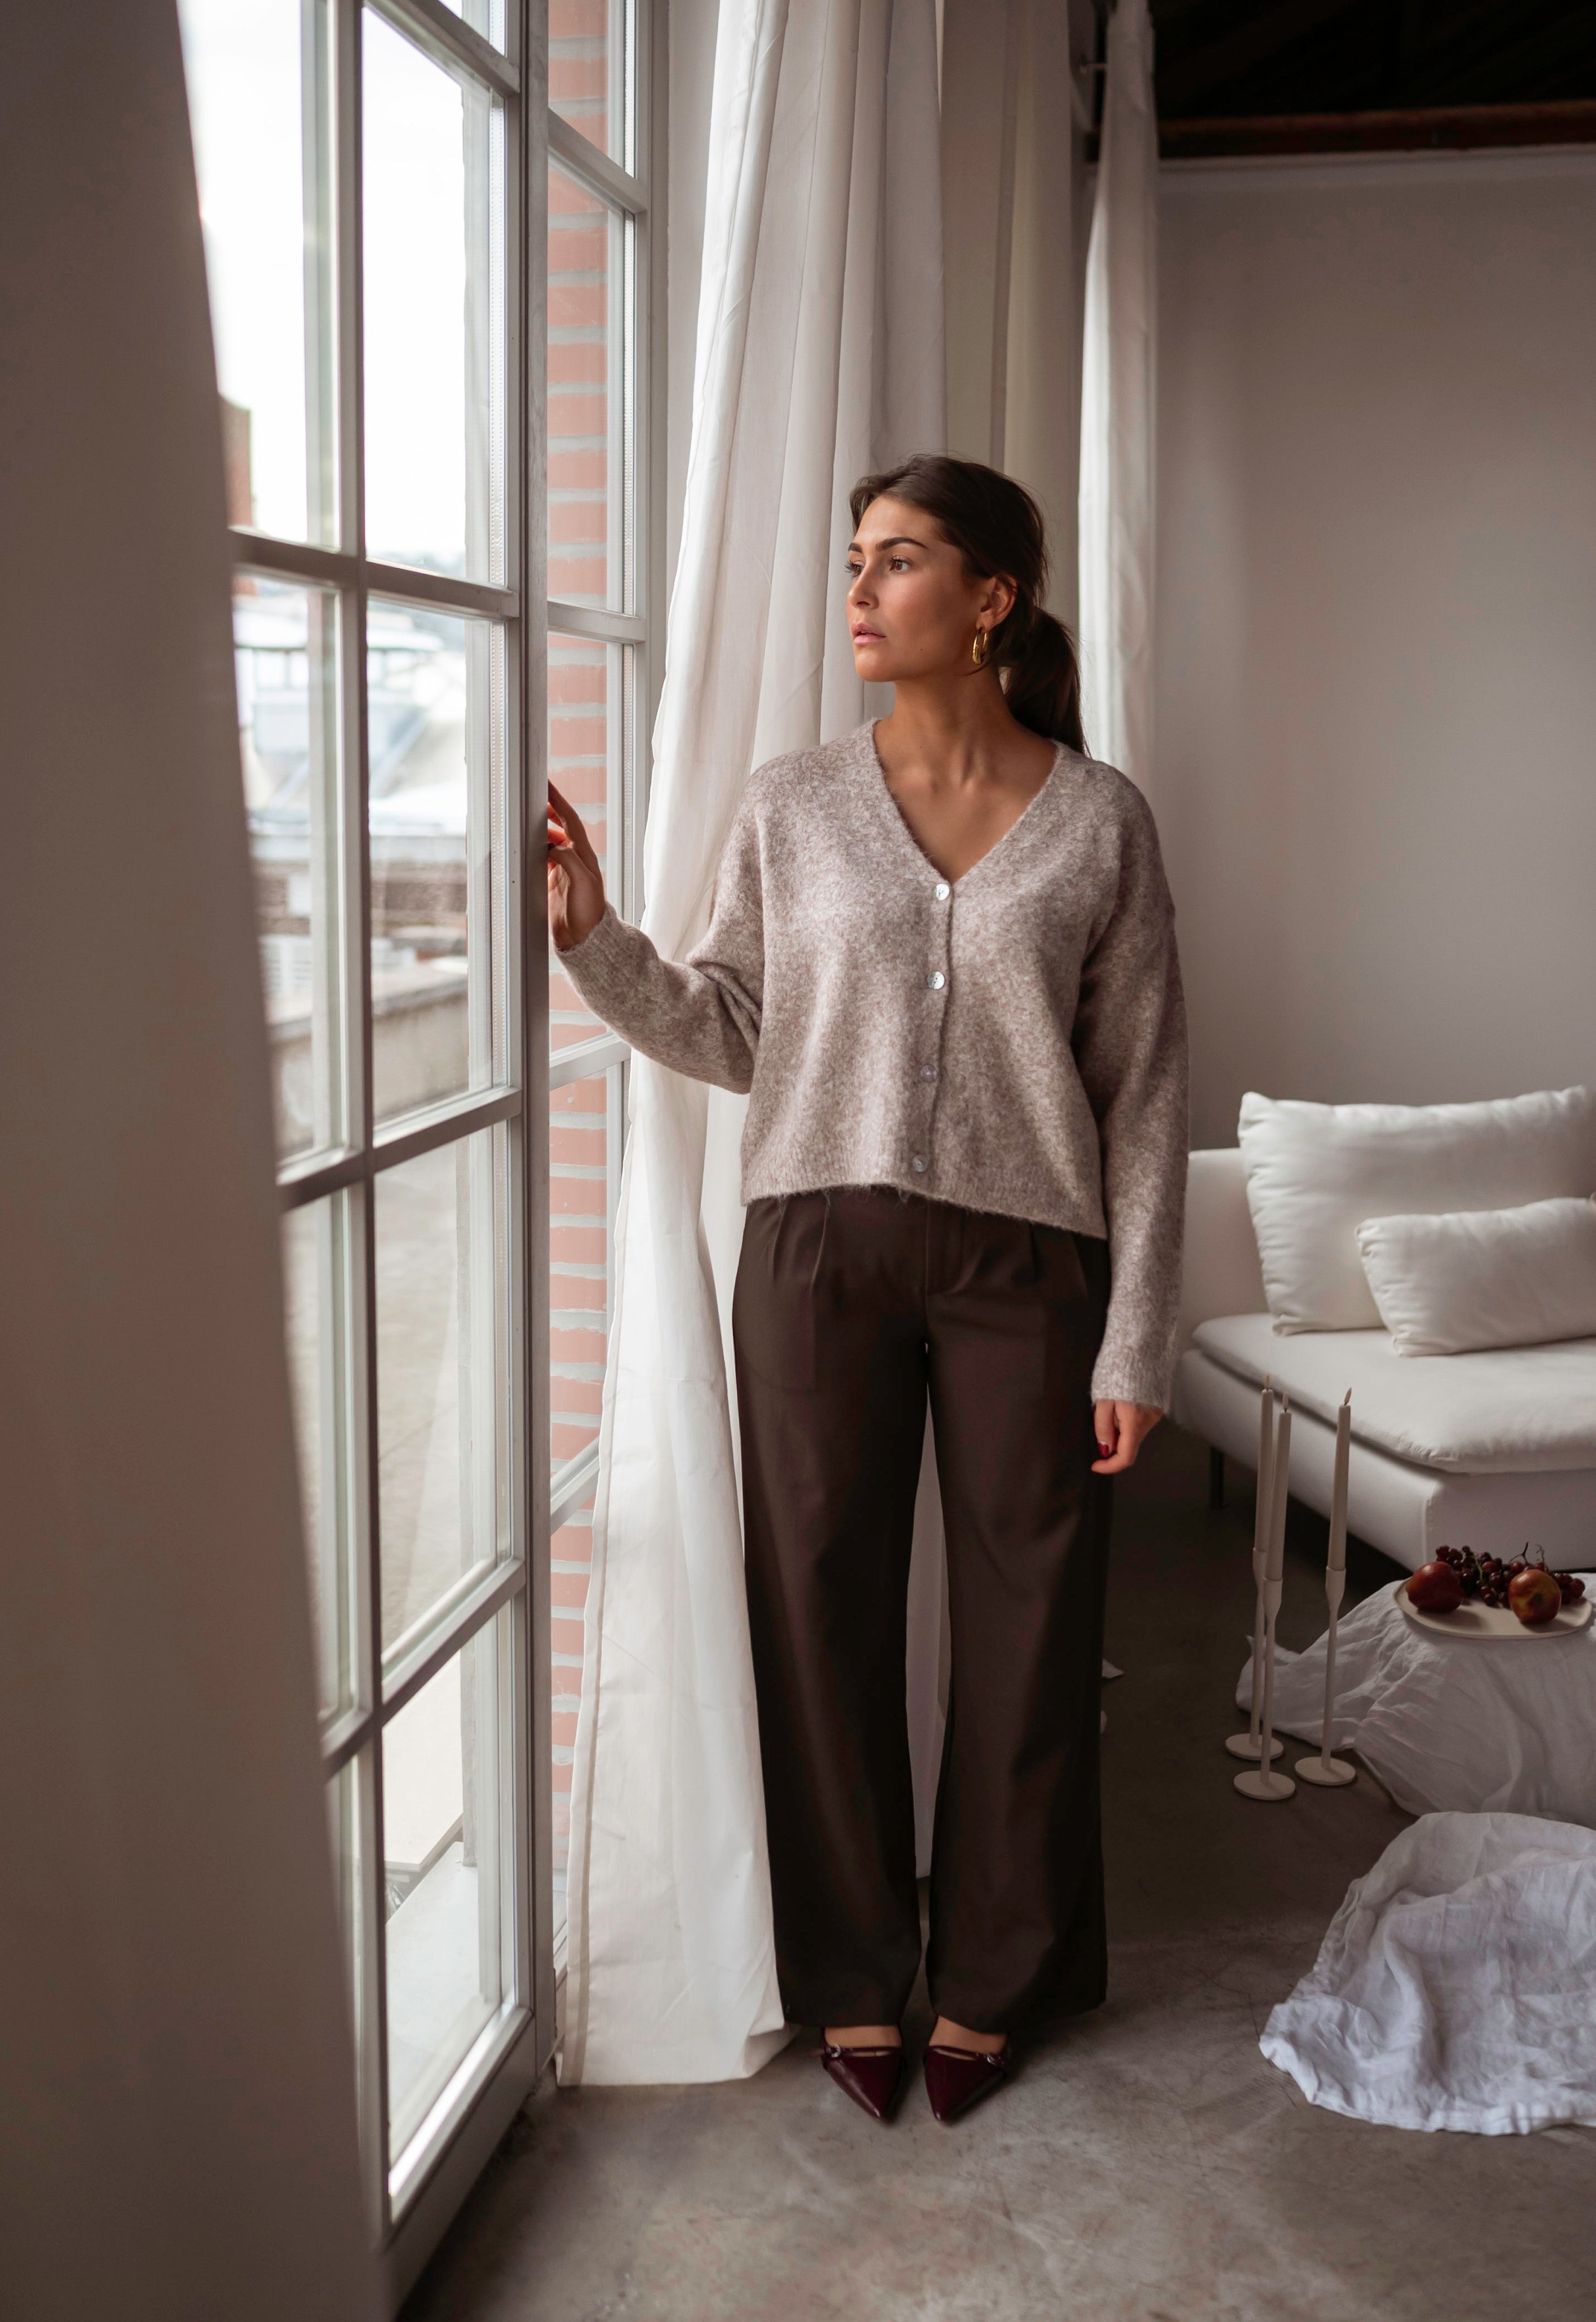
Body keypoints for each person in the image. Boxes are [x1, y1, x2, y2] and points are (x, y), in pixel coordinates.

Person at [546, 453, 1188, 2125]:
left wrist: (1134, 1335)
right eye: (854, 562)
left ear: (992, 601)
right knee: (817, 1612)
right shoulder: (792, 800)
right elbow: (732, 1029)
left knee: (1033, 1627)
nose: (859, 593)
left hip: (1026, 1265)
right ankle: (850, 1971)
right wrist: (597, 943)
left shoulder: (1101, 817)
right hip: (817, 1247)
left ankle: (993, 1974)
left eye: (897, 564)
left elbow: (1148, 1096)